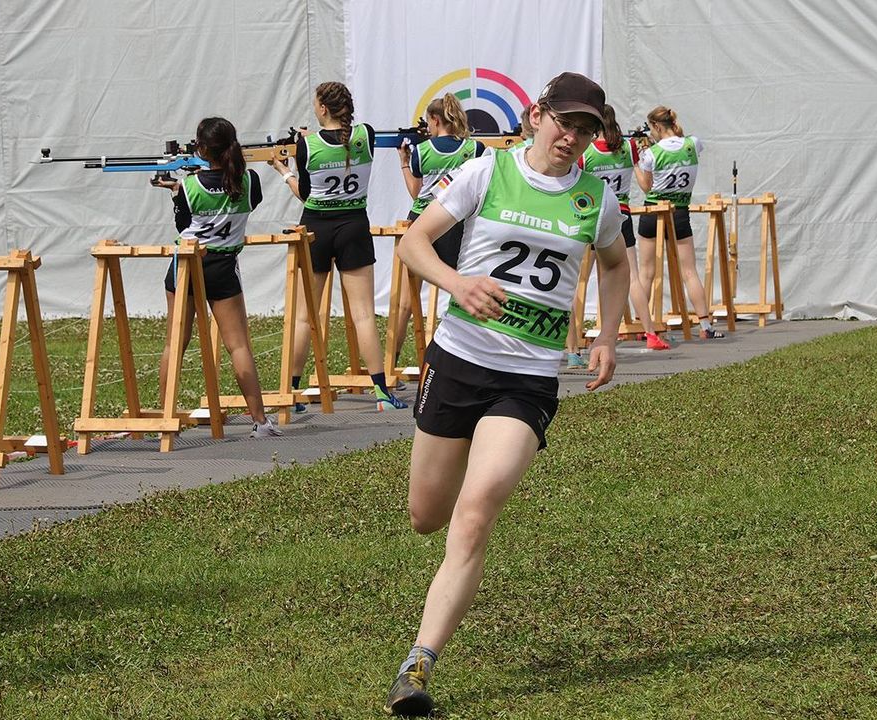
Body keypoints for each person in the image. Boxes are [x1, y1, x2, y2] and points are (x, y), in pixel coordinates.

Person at [383, 72, 630, 717]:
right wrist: (456, 283)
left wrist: (607, 335)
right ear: (538, 115)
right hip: (460, 361)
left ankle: (417, 665)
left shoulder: (596, 199)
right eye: (564, 123)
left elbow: (615, 262)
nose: (572, 138)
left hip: (527, 380)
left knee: (475, 510)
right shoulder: (485, 173)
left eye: (586, 129)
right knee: (427, 515)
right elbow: (411, 244)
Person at [270, 81, 408, 411]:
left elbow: (305, 193)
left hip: (317, 227)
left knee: (305, 316)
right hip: (354, 226)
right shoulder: (366, 134)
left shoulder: (308, 145)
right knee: (363, 315)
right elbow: (346, 139)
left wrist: (283, 171)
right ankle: (380, 393)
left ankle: (292, 392)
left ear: (322, 109)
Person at [155, 117, 282, 439]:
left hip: (186, 264)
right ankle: (260, 421)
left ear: (201, 148)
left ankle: (164, 421)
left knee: (175, 344)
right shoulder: (248, 181)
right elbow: (249, 200)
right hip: (223, 265)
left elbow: (183, 226)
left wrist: (176, 192)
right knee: (238, 346)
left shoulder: (190, 186)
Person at [567, 103, 670, 368]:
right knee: (630, 276)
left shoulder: (587, 152)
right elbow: (646, 185)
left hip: (589, 216)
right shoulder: (629, 147)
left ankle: (574, 346)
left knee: (579, 281)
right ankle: (649, 333)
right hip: (619, 215)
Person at [390, 93, 487, 363]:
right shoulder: (474, 149)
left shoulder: (422, 151)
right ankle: (467, 355)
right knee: (460, 288)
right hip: (455, 222)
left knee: (407, 300)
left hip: (422, 220)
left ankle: (392, 363)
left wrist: (404, 161)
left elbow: (416, 192)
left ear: (434, 120)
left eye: (430, 124)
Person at [634, 105, 724, 339]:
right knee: (690, 272)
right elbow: (681, 144)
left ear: (655, 126)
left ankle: (642, 327)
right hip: (680, 211)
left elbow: (647, 186)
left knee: (646, 273)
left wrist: (638, 160)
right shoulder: (693, 143)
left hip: (653, 210)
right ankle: (706, 326)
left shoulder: (652, 153)